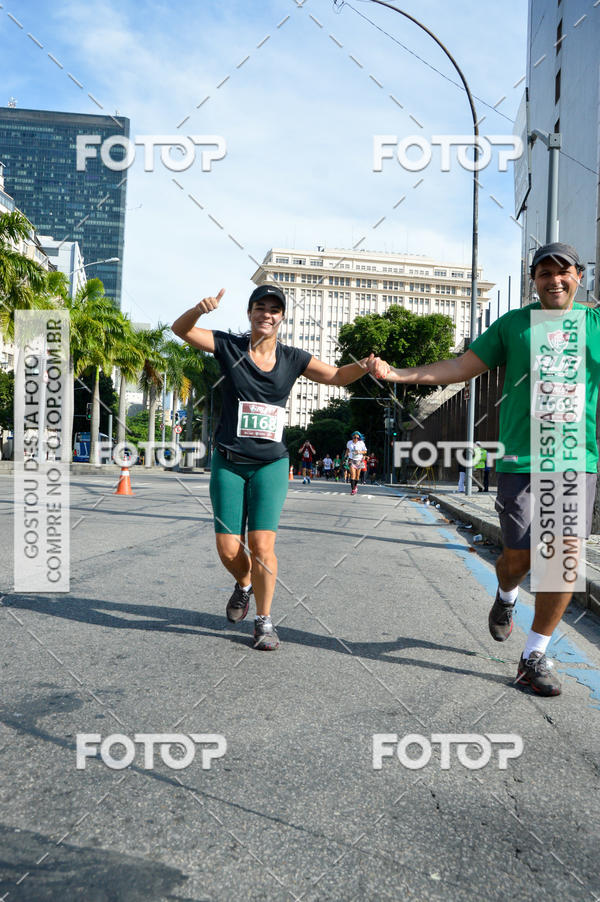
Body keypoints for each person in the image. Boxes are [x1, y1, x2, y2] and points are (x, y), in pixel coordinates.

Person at [373, 242, 597, 697]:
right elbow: (460, 367)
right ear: (533, 281)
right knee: (517, 558)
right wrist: (398, 374)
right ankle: (506, 594)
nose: (555, 280)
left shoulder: (594, 325)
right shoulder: (514, 325)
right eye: (544, 273)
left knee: (561, 563)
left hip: (575, 458)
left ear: (579, 275)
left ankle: (534, 654)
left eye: (564, 272)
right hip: (520, 458)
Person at [172, 283, 382, 651]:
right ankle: (244, 585)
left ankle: (264, 622)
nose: (266, 314)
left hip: (270, 463)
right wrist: (199, 309)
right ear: (250, 313)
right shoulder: (229, 346)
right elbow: (182, 330)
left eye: (273, 309)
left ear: (281, 317)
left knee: (262, 546)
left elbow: (334, 375)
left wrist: (363, 367)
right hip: (229, 462)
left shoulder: (293, 358)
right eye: (259, 307)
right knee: (227, 549)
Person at [346, 430, 367, 496]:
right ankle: (352, 490)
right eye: (354, 437)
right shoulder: (349, 442)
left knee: (357, 476)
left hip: (359, 460)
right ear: (352, 437)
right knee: (353, 475)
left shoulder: (361, 443)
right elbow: (347, 449)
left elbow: (365, 451)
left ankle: (355, 486)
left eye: (357, 438)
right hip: (351, 460)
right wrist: (345, 457)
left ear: (359, 438)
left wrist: (359, 452)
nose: (356, 439)